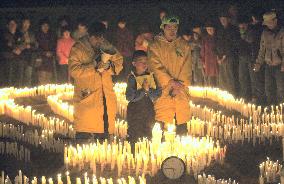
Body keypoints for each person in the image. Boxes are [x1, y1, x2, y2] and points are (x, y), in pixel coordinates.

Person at [69, 22, 123, 139]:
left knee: (104, 133)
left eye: (102, 38)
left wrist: (108, 66)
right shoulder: (78, 48)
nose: (99, 41)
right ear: (90, 36)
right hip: (87, 97)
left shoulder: (107, 46)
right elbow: (74, 71)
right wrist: (93, 66)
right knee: (85, 132)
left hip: (105, 96)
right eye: (96, 38)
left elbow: (118, 64)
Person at [148, 15, 192, 134]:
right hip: (164, 90)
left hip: (180, 91)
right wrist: (170, 82)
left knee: (181, 124)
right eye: (169, 27)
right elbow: (155, 67)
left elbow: (187, 67)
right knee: (162, 123)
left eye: (175, 27)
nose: (172, 31)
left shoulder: (184, 45)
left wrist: (180, 85)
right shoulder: (154, 46)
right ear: (163, 28)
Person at [126, 50, 161, 142]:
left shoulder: (151, 77)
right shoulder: (132, 78)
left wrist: (149, 91)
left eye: (146, 61)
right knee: (135, 136)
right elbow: (129, 97)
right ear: (134, 63)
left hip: (148, 111)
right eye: (141, 61)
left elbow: (157, 94)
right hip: (135, 112)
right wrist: (143, 91)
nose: (144, 63)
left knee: (148, 135)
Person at [254, 11, 284, 105]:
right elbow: (262, 50)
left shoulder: (282, 33)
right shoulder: (265, 33)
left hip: (279, 66)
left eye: (270, 23)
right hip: (268, 65)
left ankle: (281, 108)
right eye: (267, 24)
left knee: (281, 89)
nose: (268, 25)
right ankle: (271, 107)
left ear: (275, 21)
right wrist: (258, 63)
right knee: (268, 88)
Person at [215, 12, 240, 96]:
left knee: (231, 77)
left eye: (224, 19)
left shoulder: (233, 30)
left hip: (230, 57)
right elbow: (217, 43)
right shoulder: (220, 30)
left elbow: (233, 44)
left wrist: (224, 56)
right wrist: (218, 56)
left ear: (228, 19)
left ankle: (233, 97)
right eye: (221, 19)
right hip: (221, 58)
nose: (222, 21)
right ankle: (225, 98)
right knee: (223, 78)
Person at [2, 17, 23, 87]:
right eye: (11, 24)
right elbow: (3, 46)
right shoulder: (3, 35)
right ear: (7, 25)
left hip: (18, 59)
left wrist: (19, 49)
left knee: (19, 78)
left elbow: (23, 44)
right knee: (9, 78)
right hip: (8, 60)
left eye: (14, 24)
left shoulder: (19, 34)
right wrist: (12, 49)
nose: (13, 25)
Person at [251, 9, 266, 105]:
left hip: (258, 58)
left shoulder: (256, 29)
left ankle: (260, 101)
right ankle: (260, 100)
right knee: (259, 80)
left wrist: (257, 60)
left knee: (258, 80)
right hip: (260, 58)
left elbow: (256, 45)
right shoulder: (263, 29)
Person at [238, 16, 254, 102]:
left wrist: (244, 36)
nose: (241, 28)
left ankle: (254, 97)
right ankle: (245, 95)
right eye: (240, 26)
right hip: (241, 57)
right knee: (242, 77)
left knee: (252, 78)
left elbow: (251, 41)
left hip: (250, 57)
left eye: (243, 26)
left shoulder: (251, 32)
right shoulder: (238, 33)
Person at [112, 17, 134, 81]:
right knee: (118, 68)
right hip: (119, 53)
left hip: (128, 53)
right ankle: (118, 80)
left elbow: (130, 41)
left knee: (127, 68)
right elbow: (115, 41)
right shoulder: (116, 31)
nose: (121, 24)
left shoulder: (128, 31)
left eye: (123, 23)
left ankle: (127, 81)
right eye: (120, 23)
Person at [35, 18, 56, 85]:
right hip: (41, 60)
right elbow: (36, 48)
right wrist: (44, 53)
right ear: (41, 26)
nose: (45, 27)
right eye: (43, 26)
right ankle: (41, 94)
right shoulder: (37, 35)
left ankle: (47, 94)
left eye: (47, 26)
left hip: (50, 60)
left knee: (48, 78)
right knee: (41, 78)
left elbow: (55, 46)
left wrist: (52, 52)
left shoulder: (52, 35)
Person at [19, 16, 38, 86]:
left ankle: (27, 92)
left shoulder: (31, 34)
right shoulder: (18, 33)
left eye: (28, 23)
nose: (26, 25)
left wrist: (30, 46)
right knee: (20, 76)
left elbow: (35, 45)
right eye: (25, 23)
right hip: (20, 58)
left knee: (28, 76)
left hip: (30, 58)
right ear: (22, 23)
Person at [201, 22, 218, 86]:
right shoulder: (205, 38)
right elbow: (203, 51)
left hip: (215, 60)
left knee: (217, 77)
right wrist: (203, 61)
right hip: (208, 61)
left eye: (211, 29)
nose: (209, 31)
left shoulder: (217, 37)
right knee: (209, 78)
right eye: (208, 29)